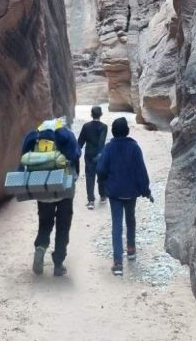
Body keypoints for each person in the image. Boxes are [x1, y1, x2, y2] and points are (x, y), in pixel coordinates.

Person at [19, 117, 81, 277]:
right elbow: (75, 156)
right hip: (64, 189)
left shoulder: (34, 136)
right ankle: (58, 264)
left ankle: (40, 247)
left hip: (42, 189)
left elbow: (23, 161)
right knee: (63, 226)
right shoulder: (66, 136)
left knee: (45, 224)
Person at [96, 117, 153, 276]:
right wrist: (145, 191)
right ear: (127, 131)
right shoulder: (134, 148)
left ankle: (118, 263)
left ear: (113, 132)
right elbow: (141, 171)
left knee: (116, 224)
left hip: (115, 193)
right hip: (131, 192)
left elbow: (100, 169)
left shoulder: (108, 148)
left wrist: (104, 183)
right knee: (130, 219)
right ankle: (131, 249)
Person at [77, 106, 109, 209]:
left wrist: (75, 153)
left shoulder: (86, 126)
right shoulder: (104, 127)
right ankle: (103, 196)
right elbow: (101, 141)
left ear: (91, 114)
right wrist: (100, 153)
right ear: (101, 114)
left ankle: (91, 201)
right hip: (100, 155)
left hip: (89, 154)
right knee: (101, 175)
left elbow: (80, 142)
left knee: (89, 176)